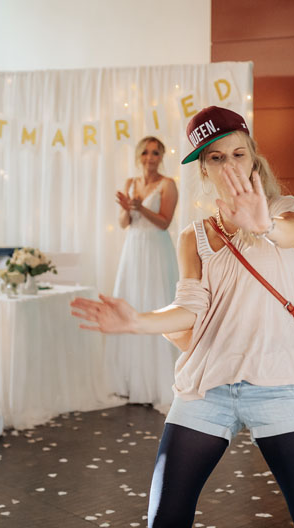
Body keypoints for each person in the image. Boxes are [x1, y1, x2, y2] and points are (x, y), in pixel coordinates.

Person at [71, 106, 294, 528]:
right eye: (215, 157)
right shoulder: (194, 236)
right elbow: (189, 311)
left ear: (253, 158)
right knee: (165, 521)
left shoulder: (286, 209)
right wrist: (137, 321)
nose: (229, 165)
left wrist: (262, 222)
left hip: (279, 385)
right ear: (202, 168)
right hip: (208, 384)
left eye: (238, 153)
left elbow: (290, 235)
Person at [106, 136, 180, 407]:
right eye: (146, 153)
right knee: (132, 302)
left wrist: (141, 208)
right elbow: (125, 223)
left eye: (156, 153)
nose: (150, 157)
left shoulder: (167, 185)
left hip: (156, 250)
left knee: (155, 303)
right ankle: (127, 381)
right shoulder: (130, 183)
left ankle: (159, 380)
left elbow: (164, 223)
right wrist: (128, 210)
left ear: (161, 156)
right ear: (139, 156)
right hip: (133, 249)